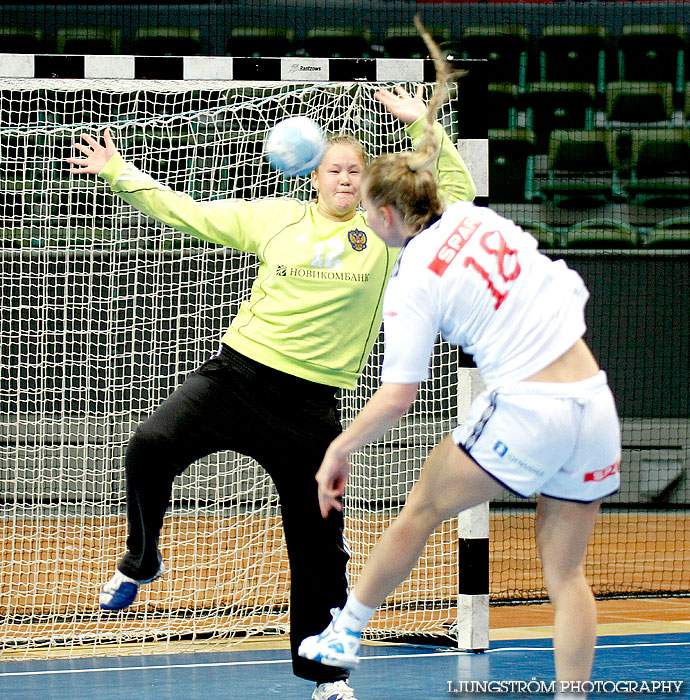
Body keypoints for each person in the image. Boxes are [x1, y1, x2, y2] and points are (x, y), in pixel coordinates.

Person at [66, 80, 475, 700]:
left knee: (316, 546)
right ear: (314, 177)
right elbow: (190, 210)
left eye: (357, 170)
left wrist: (428, 130)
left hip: (310, 411)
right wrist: (119, 171)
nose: (345, 178)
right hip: (234, 380)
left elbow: (460, 206)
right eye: (335, 168)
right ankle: (142, 559)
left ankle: (326, 677)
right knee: (149, 446)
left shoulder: (389, 240)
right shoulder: (275, 219)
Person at [298, 22, 621, 700]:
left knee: (419, 509)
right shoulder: (481, 218)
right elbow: (441, 183)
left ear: (387, 215)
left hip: (529, 410)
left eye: (369, 210)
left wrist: (338, 449)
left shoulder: (412, 276)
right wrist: (424, 126)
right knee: (567, 577)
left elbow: (397, 397)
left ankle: (346, 632)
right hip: (594, 403)